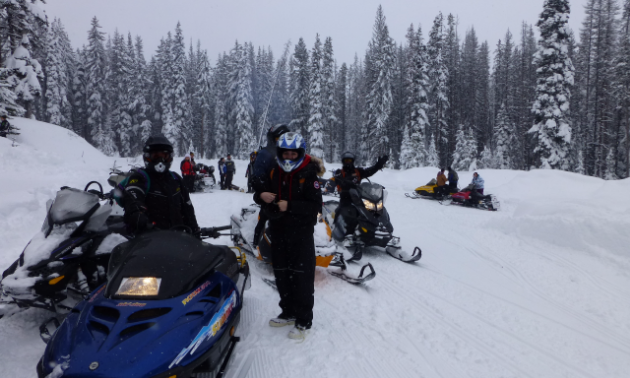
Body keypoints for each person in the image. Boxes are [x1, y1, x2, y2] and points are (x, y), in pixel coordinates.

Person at [253, 132, 323, 339]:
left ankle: (303, 320)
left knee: (302, 277)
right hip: (279, 231)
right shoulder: (275, 172)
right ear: (280, 153)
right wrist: (261, 196)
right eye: (286, 153)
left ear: (300, 153)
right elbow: (261, 193)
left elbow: (316, 206)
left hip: (301, 234)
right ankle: (288, 311)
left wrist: (290, 206)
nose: (290, 157)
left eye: (294, 154)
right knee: (282, 274)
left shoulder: (309, 175)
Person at [120, 134, 199, 234]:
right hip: (148, 241)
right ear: (148, 157)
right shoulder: (139, 178)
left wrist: (195, 230)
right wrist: (139, 216)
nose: (160, 161)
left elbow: (188, 209)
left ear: (169, 157)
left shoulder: (176, 179)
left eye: (164, 156)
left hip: (178, 240)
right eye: (156, 156)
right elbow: (132, 199)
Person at [330, 151, 388, 243]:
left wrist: (378, 165)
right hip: (345, 198)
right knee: (342, 210)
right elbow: (337, 179)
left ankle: (375, 228)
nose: (348, 162)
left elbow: (369, 171)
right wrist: (343, 182)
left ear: (352, 161)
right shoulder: (340, 172)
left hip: (358, 197)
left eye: (350, 160)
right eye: (346, 160)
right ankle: (335, 230)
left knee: (372, 210)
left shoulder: (358, 172)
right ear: (343, 161)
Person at [251, 124, 290, 247]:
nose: (282, 142)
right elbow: (257, 176)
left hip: (290, 197)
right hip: (272, 197)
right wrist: (262, 193)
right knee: (264, 218)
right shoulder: (266, 154)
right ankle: (256, 243)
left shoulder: (293, 153)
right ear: (273, 139)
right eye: (279, 139)